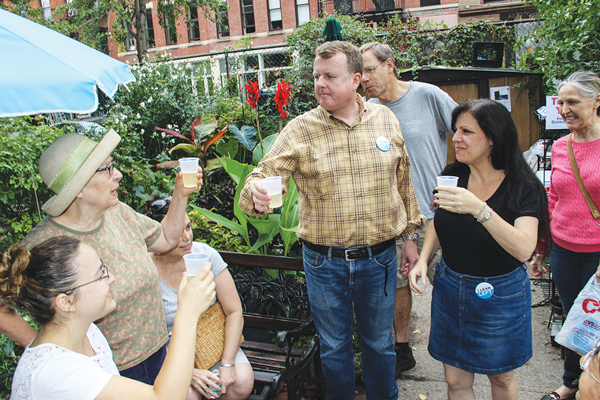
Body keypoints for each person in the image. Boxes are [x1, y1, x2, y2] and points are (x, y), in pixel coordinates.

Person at [238, 41, 425, 400]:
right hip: (325, 263)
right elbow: (259, 175)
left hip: (381, 259)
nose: (320, 84)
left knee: (381, 345)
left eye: (330, 76)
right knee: (335, 348)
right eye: (316, 76)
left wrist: (412, 236)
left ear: (356, 80)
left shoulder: (385, 118)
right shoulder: (300, 129)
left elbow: (403, 179)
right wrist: (257, 192)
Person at [0, 129, 201, 384]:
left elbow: (166, 240)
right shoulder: (44, 245)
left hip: (157, 352)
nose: (117, 174)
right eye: (106, 169)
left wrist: (180, 194)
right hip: (107, 371)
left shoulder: (118, 213)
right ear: (79, 187)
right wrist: (46, 351)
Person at [409, 98, 551, 400]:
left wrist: (479, 208)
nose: (456, 138)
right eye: (455, 130)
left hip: (499, 293)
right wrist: (423, 259)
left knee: (500, 378)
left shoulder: (522, 185)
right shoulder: (454, 174)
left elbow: (523, 249)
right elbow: (438, 220)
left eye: (467, 132)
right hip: (450, 286)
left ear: (492, 138)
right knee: (455, 380)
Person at [0, 236, 216, 400]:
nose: (112, 278)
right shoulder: (56, 373)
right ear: (66, 302)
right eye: (101, 273)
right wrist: (187, 313)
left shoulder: (88, 333)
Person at [359, 41, 457, 375]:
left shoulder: (428, 96)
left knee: (446, 281)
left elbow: (466, 133)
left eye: (370, 69)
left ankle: (455, 343)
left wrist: (461, 184)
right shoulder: (368, 111)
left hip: (436, 215)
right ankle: (402, 349)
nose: (365, 79)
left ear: (390, 65)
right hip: (395, 218)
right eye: (361, 73)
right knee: (399, 286)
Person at [531, 71, 600, 400]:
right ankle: (571, 384)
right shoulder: (560, 147)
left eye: (573, 101)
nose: (564, 108)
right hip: (565, 252)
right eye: (560, 103)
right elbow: (553, 201)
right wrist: (542, 250)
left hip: (598, 254)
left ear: (597, 101)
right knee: (576, 321)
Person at [146, 196, 254, 400]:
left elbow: (234, 311)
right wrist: (188, 373)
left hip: (213, 344)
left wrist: (228, 363)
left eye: (188, 227)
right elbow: (145, 334)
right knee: (185, 394)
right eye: (177, 232)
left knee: (241, 382)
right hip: (170, 353)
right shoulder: (145, 269)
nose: (187, 237)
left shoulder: (206, 256)